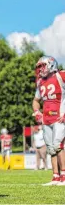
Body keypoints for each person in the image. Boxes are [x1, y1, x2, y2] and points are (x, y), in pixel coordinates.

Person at [33, 56, 65, 186]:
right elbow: (35, 101)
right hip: (46, 120)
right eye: (39, 66)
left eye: (42, 66)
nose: (40, 69)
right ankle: (55, 177)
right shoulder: (41, 82)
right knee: (51, 149)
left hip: (59, 117)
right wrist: (37, 112)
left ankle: (64, 175)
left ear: (51, 64)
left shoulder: (61, 75)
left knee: (58, 145)